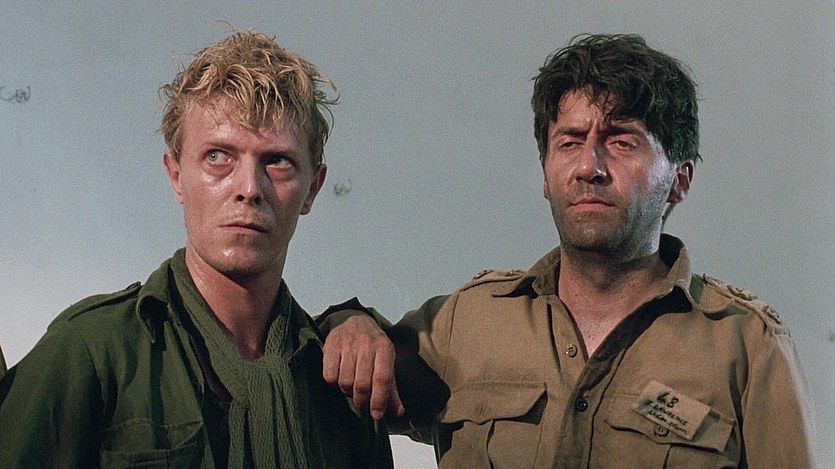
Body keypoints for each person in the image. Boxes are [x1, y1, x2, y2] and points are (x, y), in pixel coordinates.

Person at [320, 34, 817, 467]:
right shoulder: (468, 322)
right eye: (570, 142)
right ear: (545, 173)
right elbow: (339, 369)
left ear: (679, 180)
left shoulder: (747, 345)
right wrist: (349, 321)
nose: (589, 167)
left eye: (622, 142)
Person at [0, 31, 392, 468]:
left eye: (277, 161)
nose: (249, 188)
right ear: (176, 175)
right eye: (218, 157)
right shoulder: (92, 352)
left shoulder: (342, 384)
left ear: (313, 189)